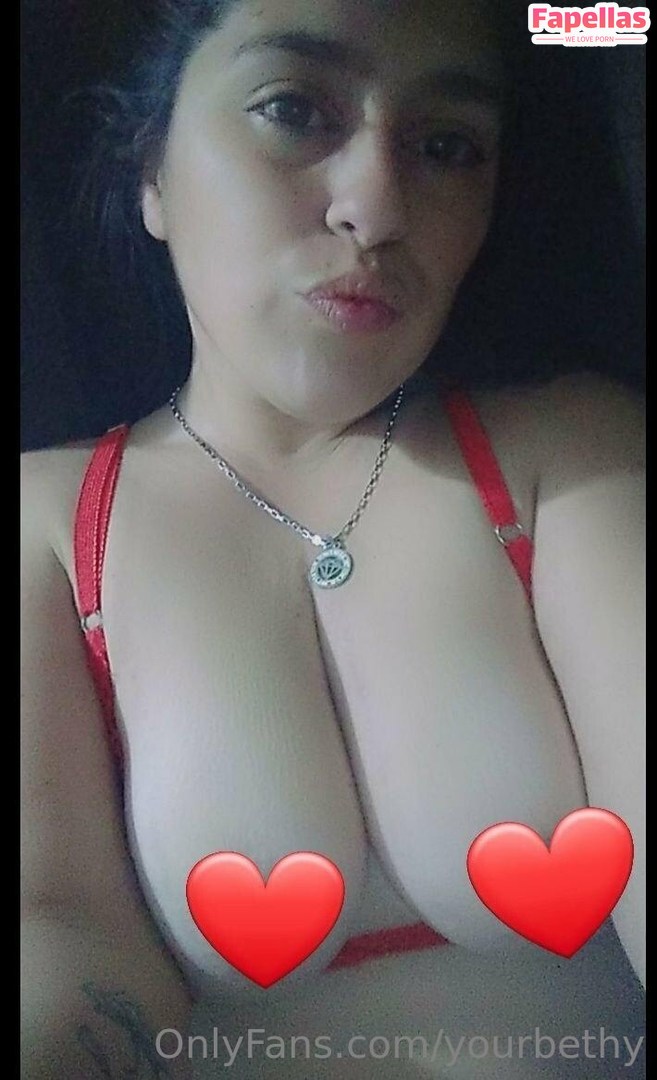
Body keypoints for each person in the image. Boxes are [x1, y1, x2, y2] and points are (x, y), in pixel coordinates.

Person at [21, 0, 645, 1076]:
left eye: (447, 146)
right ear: (152, 171)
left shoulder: (573, 451)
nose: (377, 207)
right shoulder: (47, 524)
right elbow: (59, 925)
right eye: (292, 110)